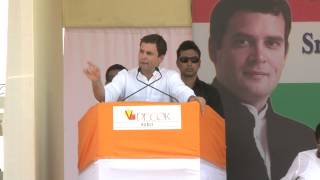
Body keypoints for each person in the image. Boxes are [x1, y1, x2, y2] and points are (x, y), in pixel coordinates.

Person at [208, 0, 315, 179]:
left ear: (285, 53)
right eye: (242, 42)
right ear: (213, 49)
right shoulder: (190, 127)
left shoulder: (305, 140)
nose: (259, 57)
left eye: (272, 43)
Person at [84, 34, 206, 110]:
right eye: (141, 52)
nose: (143, 57)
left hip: (164, 144)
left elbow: (181, 91)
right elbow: (103, 97)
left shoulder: (170, 77)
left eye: (149, 53)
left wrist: (192, 98)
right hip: (130, 145)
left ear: (160, 58)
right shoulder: (125, 77)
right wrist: (96, 81)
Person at [176, 40, 224, 117]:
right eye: (184, 60)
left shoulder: (211, 92)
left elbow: (218, 124)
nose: (189, 64)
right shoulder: (169, 91)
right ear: (177, 63)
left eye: (194, 60)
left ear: (199, 63)